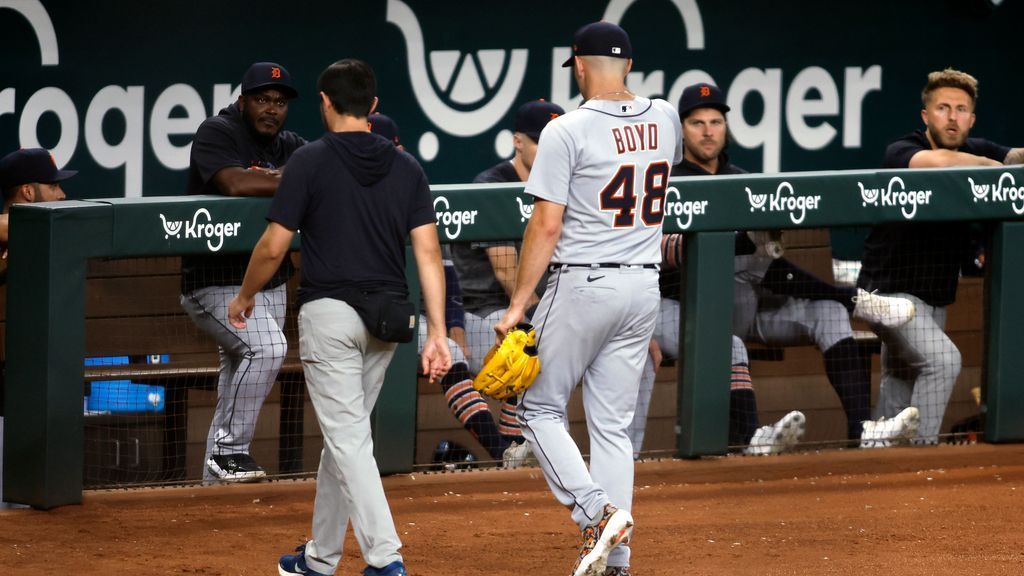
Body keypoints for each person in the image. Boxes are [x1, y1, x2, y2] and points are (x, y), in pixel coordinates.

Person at [227, 58, 450, 576]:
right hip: (389, 319)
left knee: (346, 438)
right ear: (372, 107)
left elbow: (272, 246)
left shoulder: (310, 160)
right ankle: (320, 559)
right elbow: (429, 255)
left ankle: (385, 559)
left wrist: (244, 297)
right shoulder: (407, 166)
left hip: (331, 314)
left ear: (326, 104)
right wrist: (436, 330)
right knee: (344, 438)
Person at [632, 83, 919, 455]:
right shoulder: (670, 180)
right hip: (686, 306)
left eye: (716, 121)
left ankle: (863, 428)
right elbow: (667, 258)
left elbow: (768, 262)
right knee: (746, 283)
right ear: (681, 131)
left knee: (829, 314)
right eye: (697, 122)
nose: (707, 131)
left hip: (747, 305)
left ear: (726, 126)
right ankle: (852, 301)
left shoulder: (743, 180)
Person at [494, 22, 680, 576]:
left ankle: (598, 516)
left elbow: (546, 226)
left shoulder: (565, 129)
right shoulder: (666, 115)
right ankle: (616, 560)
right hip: (643, 285)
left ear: (579, 65)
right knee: (612, 427)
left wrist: (517, 304)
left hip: (584, 282)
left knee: (534, 406)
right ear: (627, 63)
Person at [859, 68, 1024, 445]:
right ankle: (921, 452)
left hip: (933, 296)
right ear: (926, 115)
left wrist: (1005, 160)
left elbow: (1015, 155)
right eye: (943, 108)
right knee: (944, 361)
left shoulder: (977, 148)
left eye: (961, 109)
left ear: (972, 118)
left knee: (900, 375)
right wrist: (991, 167)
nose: (952, 117)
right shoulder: (903, 149)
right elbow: (937, 163)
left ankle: (875, 455)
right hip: (887, 294)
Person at [179, 62, 306, 482]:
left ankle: (211, 493)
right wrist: (290, 179)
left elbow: (322, 173)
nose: (272, 108)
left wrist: (275, 175)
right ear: (243, 99)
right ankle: (230, 451)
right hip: (213, 280)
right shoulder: (218, 131)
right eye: (262, 99)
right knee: (268, 348)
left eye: (280, 102)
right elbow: (234, 184)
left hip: (267, 279)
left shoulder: (290, 144)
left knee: (236, 375)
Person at [368, 114, 506, 468]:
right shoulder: (353, 199)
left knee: (519, 346)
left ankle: (514, 448)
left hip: (428, 318)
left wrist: (453, 326)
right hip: (380, 318)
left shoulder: (415, 191)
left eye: (395, 148)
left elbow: (448, 275)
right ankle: (502, 452)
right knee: (453, 360)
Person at [451, 99, 565, 468]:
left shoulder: (564, 185)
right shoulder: (492, 185)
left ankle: (523, 446)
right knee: (528, 344)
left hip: (531, 309)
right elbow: (507, 274)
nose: (550, 151)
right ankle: (516, 450)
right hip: (483, 313)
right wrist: (547, 321)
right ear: (518, 141)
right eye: (540, 141)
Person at [0, 147, 74, 509]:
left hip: (25, 383)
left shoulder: (50, 230)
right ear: (29, 192)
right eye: (53, 186)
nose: (61, 194)